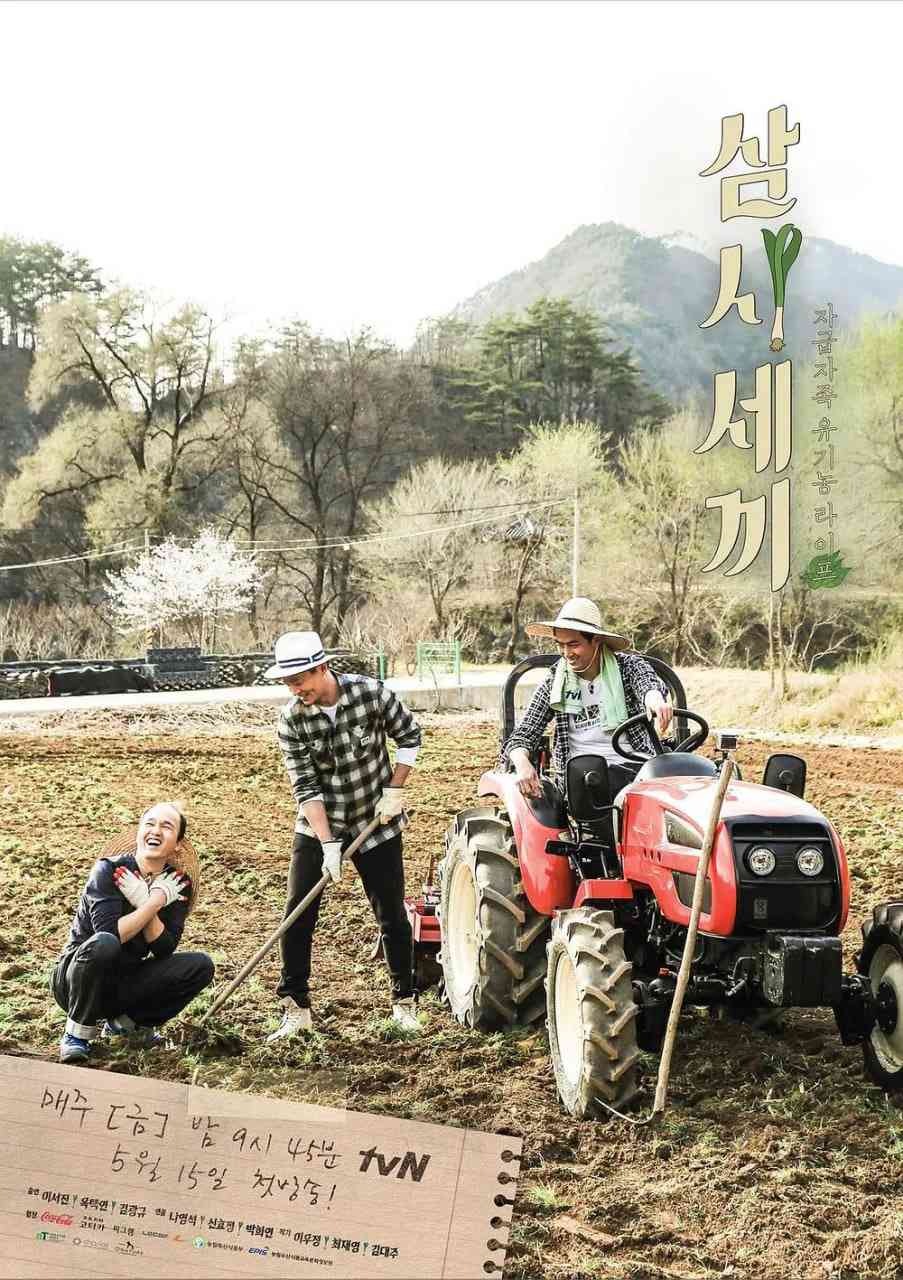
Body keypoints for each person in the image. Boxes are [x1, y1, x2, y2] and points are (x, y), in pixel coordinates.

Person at [264, 631, 423, 1040]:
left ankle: (404, 1002)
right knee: (297, 915)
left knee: (390, 913)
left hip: (376, 819)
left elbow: (410, 735)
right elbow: (305, 787)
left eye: (301, 679)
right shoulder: (292, 720)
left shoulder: (370, 694)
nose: (296, 689)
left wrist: (396, 789)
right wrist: (327, 842)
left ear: (322, 668)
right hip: (320, 824)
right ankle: (296, 1008)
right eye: (289, 682)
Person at [52, 802, 214, 1064]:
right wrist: (152, 903)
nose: (156, 830)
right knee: (105, 943)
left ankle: (125, 1025)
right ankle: (76, 1034)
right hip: (76, 981)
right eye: (149, 824)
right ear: (139, 832)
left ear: (177, 844)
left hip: (121, 984)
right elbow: (109, 935)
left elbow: (164, 948)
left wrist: (151, 899)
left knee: (200, 966)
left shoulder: (176, 885)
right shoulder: (109, 871)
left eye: (167, 826)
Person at [500, 596, 674, 806]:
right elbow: (524, 733)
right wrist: (522, 764)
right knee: (595, 784)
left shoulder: (628, 667)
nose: (566, 653)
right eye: (560, 645)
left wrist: (653, 698)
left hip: (636, 770)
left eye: (574, 644)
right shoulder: (556, 681)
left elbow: (647, 683)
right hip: (582, 778)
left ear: (596, 640)